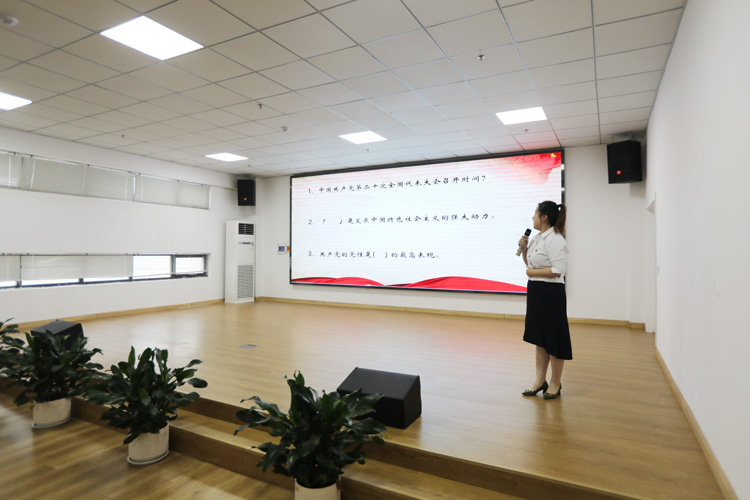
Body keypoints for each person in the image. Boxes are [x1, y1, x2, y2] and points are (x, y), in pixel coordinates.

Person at [517, 201, 571, 400]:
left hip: (551, 294)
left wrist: (533, 272)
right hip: (536, 292)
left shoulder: (556, 240)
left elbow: (558, 270)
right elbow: (530, 264)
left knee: (553, 338)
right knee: (540, 338)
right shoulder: (537, 238)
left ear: (544, 217)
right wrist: (524, 250)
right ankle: (540, 381)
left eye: (535, 213)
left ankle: (555, 383)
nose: (533, 217)